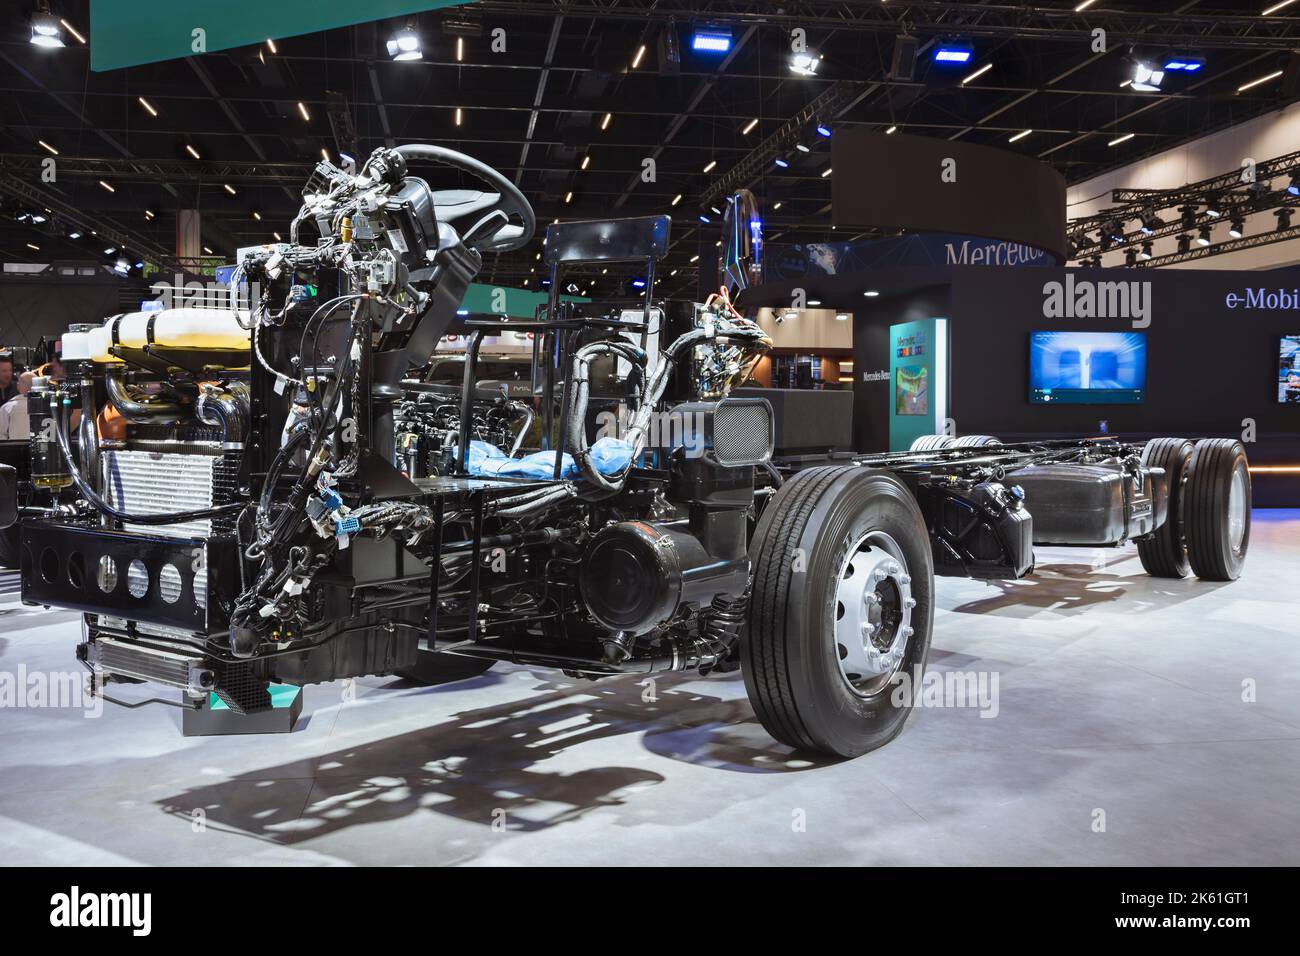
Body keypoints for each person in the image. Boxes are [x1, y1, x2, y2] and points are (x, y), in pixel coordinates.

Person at [0, 370, 33, 441]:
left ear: (18, 386)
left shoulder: (7, 408)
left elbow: (1, 434)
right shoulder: (48, 406)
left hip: (15, 450)